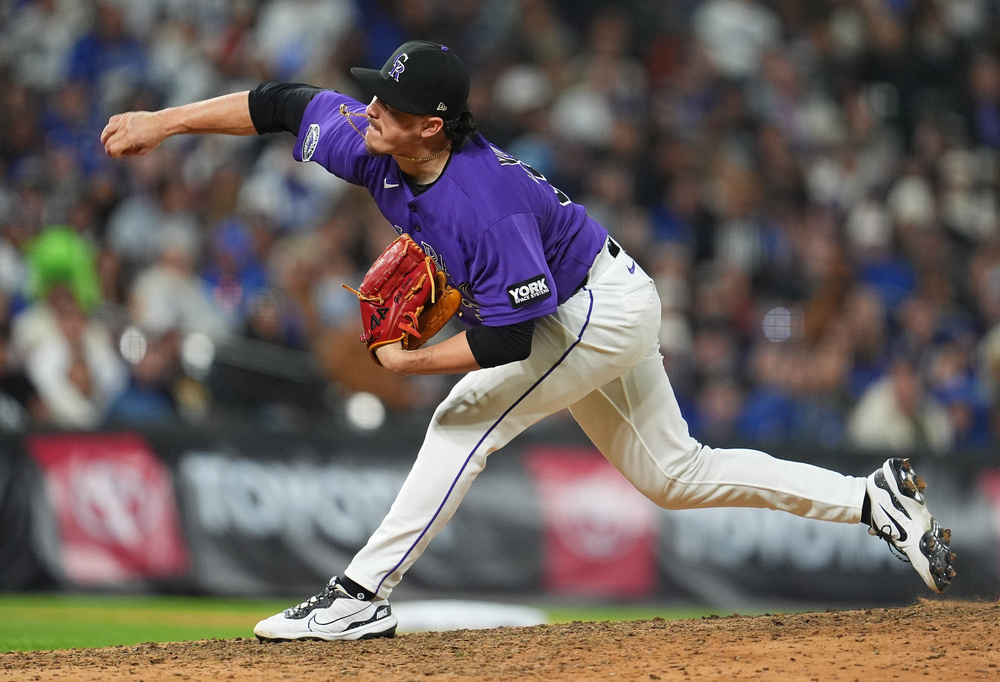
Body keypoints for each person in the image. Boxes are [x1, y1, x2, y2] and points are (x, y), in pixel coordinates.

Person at [101, 40, 955, 642]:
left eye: (388, 104)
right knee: (674, 475)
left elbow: (508, 346)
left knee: (462, 420)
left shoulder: (483, 204)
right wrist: (161, 122)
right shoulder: (376, 146)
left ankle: (359, 595)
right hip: (598, 296)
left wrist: (409, 362)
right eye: (372, 92)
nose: (367, 109)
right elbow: (279, 104)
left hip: (592, 311)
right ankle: (872, 500)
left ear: (431, 124)